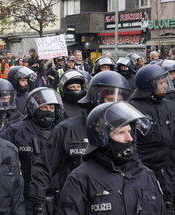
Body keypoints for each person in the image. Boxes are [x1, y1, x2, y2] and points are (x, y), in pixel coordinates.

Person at [29, 71, 133, 214]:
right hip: (75, 203)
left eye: (119, 100)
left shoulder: (127, 131)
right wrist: (39, 203)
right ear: (95, 97)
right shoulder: (67, 129)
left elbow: (134, 168)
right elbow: (44, 168)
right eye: (110, 99)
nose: (114, 105)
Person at [59, 101, 165, 214]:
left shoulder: (146, 175)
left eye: (129, 132)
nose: (129, 138)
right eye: (120, 133)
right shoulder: (80, 180)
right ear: (102, 138)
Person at [1, 87, 64, 215]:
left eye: (51, 108)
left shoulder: (62, 130)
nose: (48, 111)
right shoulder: (16, 131)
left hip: (58, 198)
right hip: (26, 198)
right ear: (34, 108)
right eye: (44, 108)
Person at [129, 64, 175, 212]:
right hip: (142, 174)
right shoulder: (131, 108)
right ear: (149, 86)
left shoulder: (170, 106)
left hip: (168, 172)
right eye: (161, 83)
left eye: (165, 81)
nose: (166, 85)